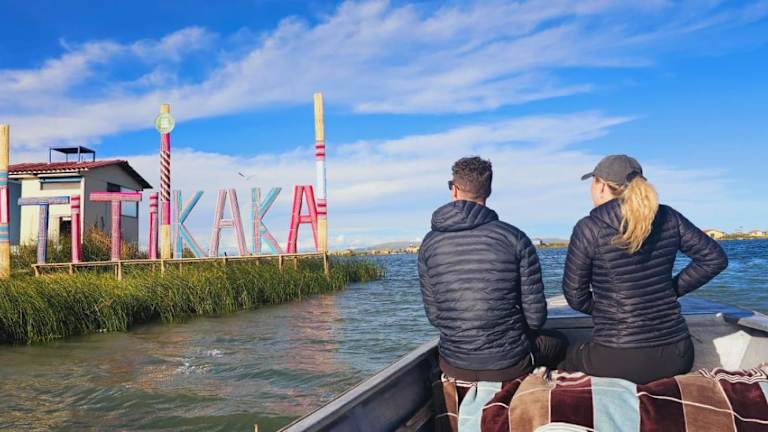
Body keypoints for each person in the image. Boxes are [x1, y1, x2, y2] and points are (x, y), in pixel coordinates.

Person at [560, 154, 728, 384]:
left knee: (567, 354)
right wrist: (670, 291)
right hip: (678, 355)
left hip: (620, 358)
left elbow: (574, 295)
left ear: (601, 186)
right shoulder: (668, 216)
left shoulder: (589, 228)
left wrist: (611, 312)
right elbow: (714, 259)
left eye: (593, 182)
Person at [418, 156, 567, 385]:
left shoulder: (429, 244)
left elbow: (435, 317)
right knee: (560, 342)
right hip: (509, 364)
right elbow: (536, 319)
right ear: (488, 191)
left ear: (454, 189)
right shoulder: (515, 238)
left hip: (453, 363)